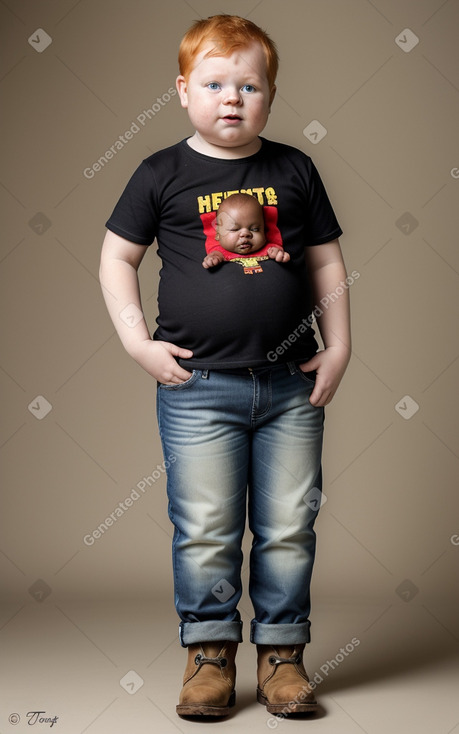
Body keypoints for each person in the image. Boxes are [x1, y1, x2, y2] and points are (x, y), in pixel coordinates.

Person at [99, 14, 351, 718]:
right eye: (214, 83)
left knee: (288, 524)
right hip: (196, 388)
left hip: (290, 385)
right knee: (207, 525)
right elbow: (117, 257)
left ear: (269, 94)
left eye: (249, 85)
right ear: (183, 91)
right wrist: (135, 341)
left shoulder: (294, 169)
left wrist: (339, 345)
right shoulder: (160, 172)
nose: (231, 98)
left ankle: (282, 657)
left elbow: (326, 260)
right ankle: (208, 655)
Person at [202, 192, 290, 270]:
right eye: (235, 229)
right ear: (218, 233)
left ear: (264, 230)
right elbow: (213, 257)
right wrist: (212, 259)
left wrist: (278, 254)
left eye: (255, 229)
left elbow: (278, 253)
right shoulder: (217, 254)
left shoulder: (270, 249)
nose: (245, 234)